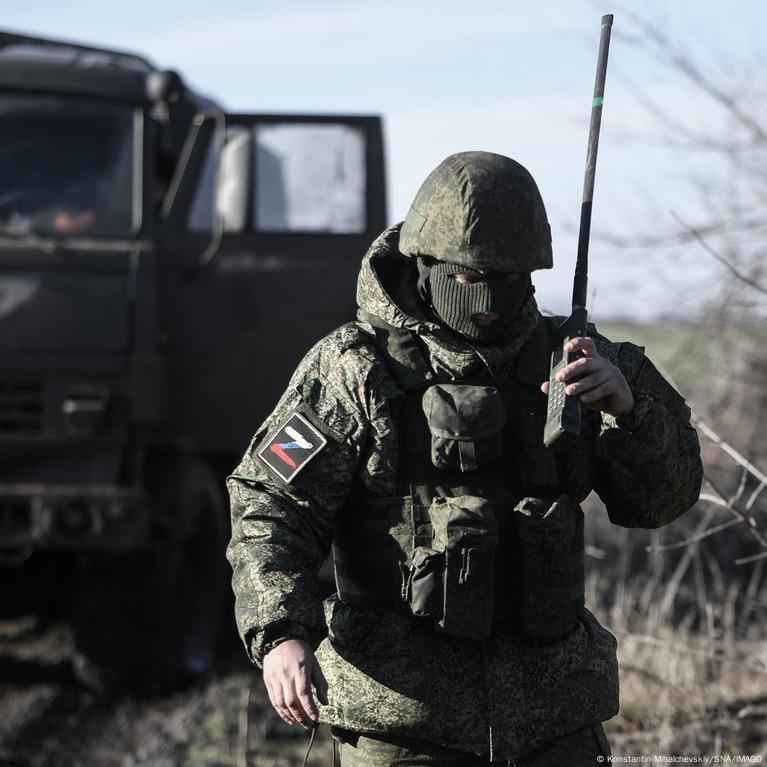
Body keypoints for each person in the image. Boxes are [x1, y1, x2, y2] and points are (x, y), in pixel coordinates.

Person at [227, 151, 703, 765]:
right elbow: (270, 505)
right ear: (425, 264)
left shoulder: (583, 362)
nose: (488, 299)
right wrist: (280, 634)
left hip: (555, 717)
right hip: (400, 722)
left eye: (508, 278)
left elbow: (665, 501)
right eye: (470, 279)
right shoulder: (353, 370)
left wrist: (630, 413)